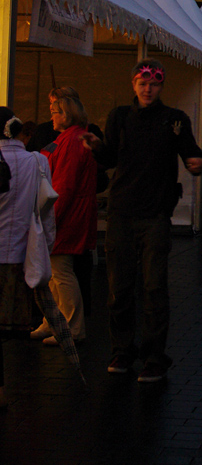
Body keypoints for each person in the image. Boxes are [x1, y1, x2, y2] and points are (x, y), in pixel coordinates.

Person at [81, 58, 202, 382]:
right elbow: (110, 158)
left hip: (155, 215)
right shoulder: (120, 117)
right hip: (122, 211)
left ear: (161, 86)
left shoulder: (174, 120)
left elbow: (191, 151)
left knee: (153, 288)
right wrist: (96, 147)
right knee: (119, 289)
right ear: (134, 84)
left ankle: (154, 357)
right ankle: (122, 351)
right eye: (142, 83)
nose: (148, 88)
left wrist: (197, 163)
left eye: (154, 83)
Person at [31, 88, 97, 345]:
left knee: (60, 272)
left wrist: (49, 219)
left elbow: (64, 186)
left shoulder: (70, 141)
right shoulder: (74, 137)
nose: (52, 118)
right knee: (53, 272)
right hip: (65, 214)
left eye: (55, 112)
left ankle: (71, 328)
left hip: (64, 217)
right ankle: (54, 322)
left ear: (66, 114)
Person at [0, 108, 54, 409]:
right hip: (23, 259)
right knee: (14, 332)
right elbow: (47, 214)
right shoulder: (38, 161)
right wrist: (46, 248)